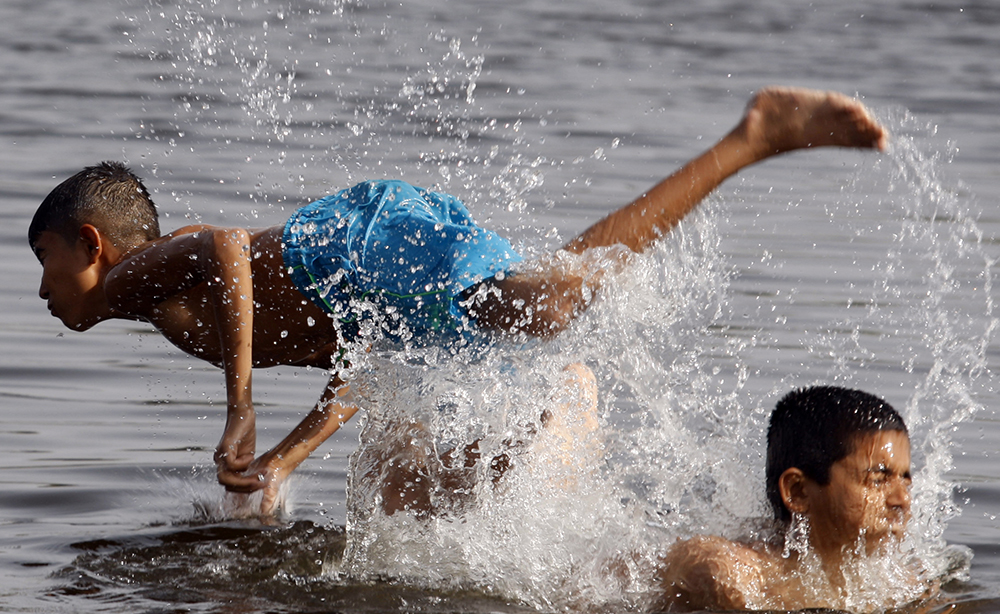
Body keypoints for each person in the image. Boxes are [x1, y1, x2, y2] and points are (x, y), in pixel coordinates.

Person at [28, 86, 887, 514]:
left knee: (549, 308)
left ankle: (755, 135)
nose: (40, 290)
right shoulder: (153, 303)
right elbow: (363, 352)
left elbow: (223, 244)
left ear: (92, 246)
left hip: (360, 241)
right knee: (522, 359)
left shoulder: (128, 283)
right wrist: (288, 456)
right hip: (369, 285)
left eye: (45, 261)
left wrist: (241, 412)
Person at [655, 386, 916, 611]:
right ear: (798, 491)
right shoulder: (736, 577)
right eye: (878, 478)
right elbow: (690, 561)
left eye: (905, 479)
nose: (902, 499)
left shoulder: (904, 586)